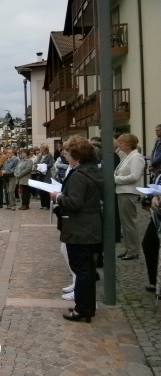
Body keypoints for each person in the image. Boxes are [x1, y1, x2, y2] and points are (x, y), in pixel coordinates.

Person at [51, 135, 103, 323]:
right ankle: (86, 306)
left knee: (82, 269)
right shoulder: (91, 171)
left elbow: (74, 203)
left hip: (80, 227)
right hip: (88, 225)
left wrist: (57, 197)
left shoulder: (80, 175)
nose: (67, 158)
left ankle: (83, 308)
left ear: (78, 156)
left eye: (69, 154)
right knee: (86, 269)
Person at [115, 133, 146, 260]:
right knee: (125, 222)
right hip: (123, 191)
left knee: (129, 223)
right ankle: (128, 248)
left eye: (121, 143)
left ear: (128, 144)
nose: (119, 145)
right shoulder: (127, 156)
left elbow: (134, 176)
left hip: (129, 191)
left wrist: (115, 179)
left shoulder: (136, 157)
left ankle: (133, 250)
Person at [35, 144, 55, 210]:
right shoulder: (40, 155)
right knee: (41, 189)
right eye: (40, 148)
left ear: (46, 149)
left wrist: (44, 166)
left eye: (42, 148)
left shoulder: (49, 155)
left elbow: (51, 164)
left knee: (46, 189)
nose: (41, 149)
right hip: (40, 174)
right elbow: (37, 163)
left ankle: (47, 205)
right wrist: (39, 166)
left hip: (46, 174)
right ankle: (42, 204)